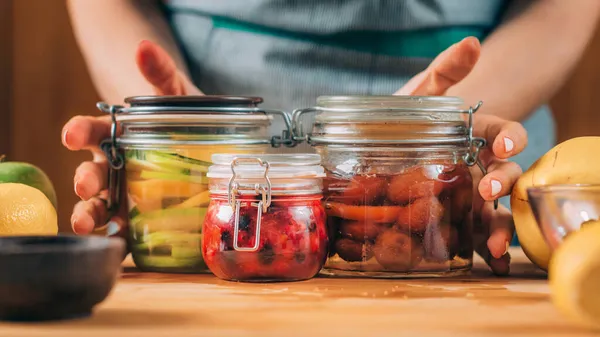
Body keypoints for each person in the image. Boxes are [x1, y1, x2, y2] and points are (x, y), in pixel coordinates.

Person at [62, 0, 600, 275]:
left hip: (470, 119)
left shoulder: (442, 163)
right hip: (212, 130)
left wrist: (442, 122)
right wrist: (174, 128)